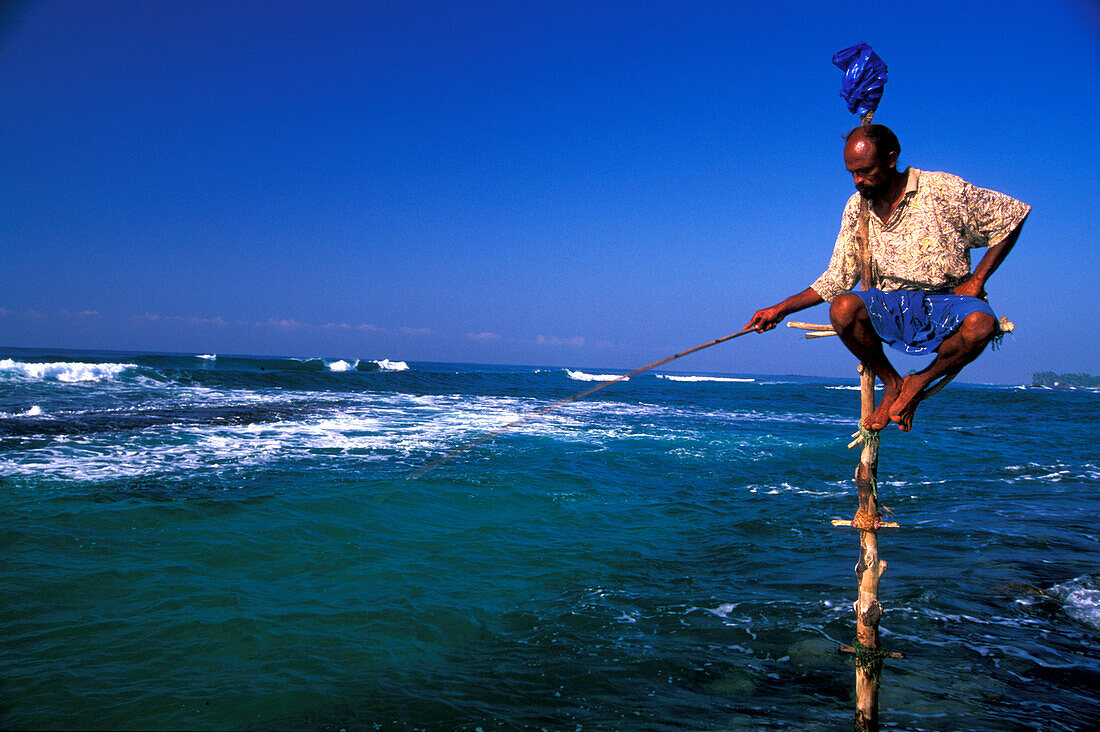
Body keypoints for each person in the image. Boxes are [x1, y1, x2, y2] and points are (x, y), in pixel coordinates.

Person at [745, 124, 1030, 432]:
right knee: (843, 308)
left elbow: (1011, 217)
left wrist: (977, 281)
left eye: (865, 171)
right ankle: (891, 383)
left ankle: (917, 382)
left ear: (891, 159)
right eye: (852, 173)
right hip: (893, 305)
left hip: (949, 300)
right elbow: (837, 277)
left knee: (982, 326)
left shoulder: (942, 189)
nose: (857, 181)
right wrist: (780, 309)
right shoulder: (858, 208)